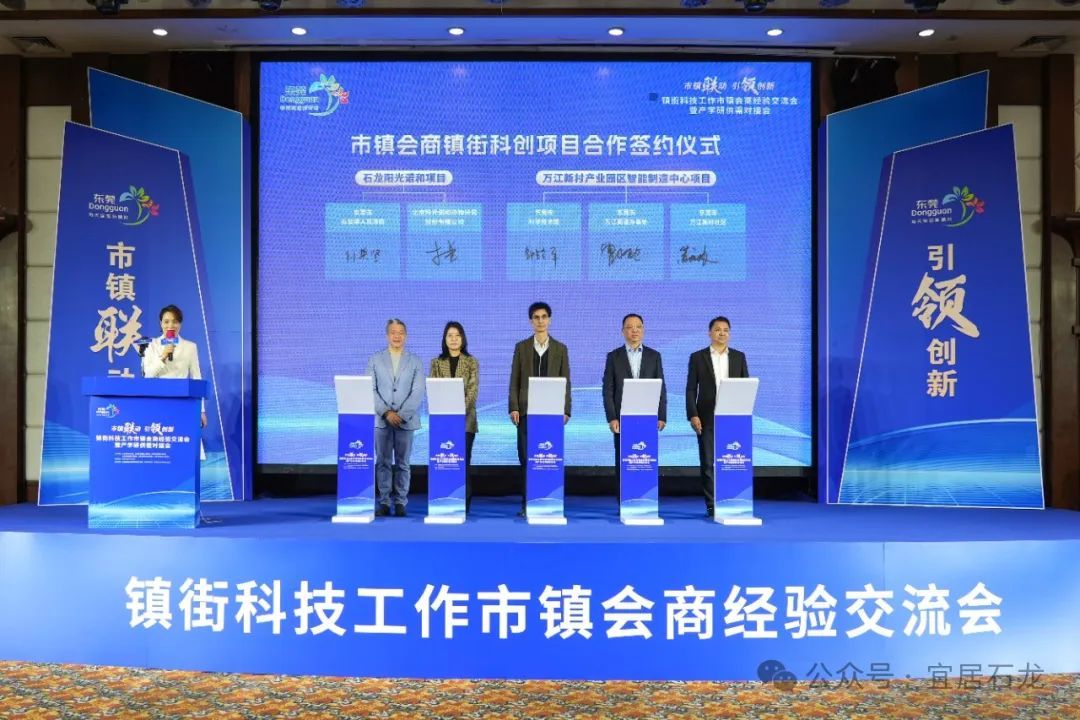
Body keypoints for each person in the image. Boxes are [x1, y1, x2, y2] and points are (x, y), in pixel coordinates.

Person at [508, 301, 571, 517]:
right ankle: (528, 504)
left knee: (549, 458)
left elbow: (566, 381)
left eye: (544, 317)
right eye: (536, 317)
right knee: (527, 459)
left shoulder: (561, 349)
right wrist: (514, 407)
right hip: (526, 412)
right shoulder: (521, 347)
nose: (540, 321)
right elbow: (514, 380)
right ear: (531, 321)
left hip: (552, 413)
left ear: (549, 320)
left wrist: (566, 410)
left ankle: (550, 502)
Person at [685, 316, 750, 516]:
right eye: (717, 329)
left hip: (733, 416)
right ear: (709, 333)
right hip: (706, 417)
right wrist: (693, 415)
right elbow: (690, 389)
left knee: (732, 460)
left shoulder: (739, 357)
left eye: (725, 330)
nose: (722, 333)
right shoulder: (697, 357)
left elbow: (746, 387)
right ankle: (712, 504)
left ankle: (732, 499)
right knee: (708, 462)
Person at [367, 319, 424, 518]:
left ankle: (400, 502)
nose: (397, 336)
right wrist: (386, 412)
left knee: (403, 464)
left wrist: (401, 414)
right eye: (393, 332)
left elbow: (418, 391)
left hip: (406, 421)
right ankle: (384, 502)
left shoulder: (415, 361)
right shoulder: (375, 359)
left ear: (405, 336)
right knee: (382, 462)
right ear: (387, 336)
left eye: (400, 332)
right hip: (381, 420)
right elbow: (370, 389)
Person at [602, 313, 667, 485]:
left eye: (638, 327)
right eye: (630, 327)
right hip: (622, 419)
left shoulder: (654, 356)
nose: (634, 330)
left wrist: (661, 416)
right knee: (624, 460)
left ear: (643, 330)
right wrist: (612, 418)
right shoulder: (613, 357)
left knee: (645, 459)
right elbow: (608, 390)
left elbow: (661, 388)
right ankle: (623, 497)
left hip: (648, 417)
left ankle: (646, 496)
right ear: (623, 331)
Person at [429, 321, 479, 511]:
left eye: (457, 335)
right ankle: (444, 499)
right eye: (450, 335)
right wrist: (447, 415)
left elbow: (472, 392)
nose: (454, 339)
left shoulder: (471, 362)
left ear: (463, 339)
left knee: (462, 462)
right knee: (444, 462)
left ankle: (463, 503)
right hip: (442, 421)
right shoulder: (436, 363)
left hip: (465, 422)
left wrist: (457, 412)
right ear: (445, 339)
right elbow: (433, 390)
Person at [141, 304, 207, 430]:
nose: (170, 325)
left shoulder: (190, 347)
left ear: (180, 324)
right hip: (157, 402)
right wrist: (163, 356)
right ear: (161, 323)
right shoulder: (152, 345)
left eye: (175, 321)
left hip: (182, 402)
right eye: (166, 322)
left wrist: (201, 410)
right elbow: (148, 375)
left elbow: (196, 378)